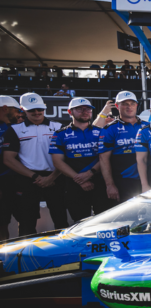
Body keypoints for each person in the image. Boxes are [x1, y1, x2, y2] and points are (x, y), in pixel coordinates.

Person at [3, 93, 68, 235]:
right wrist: (34, 177)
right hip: (28, 179)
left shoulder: (59, 127)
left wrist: (52, 177)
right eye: (32, 110)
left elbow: (67, 156)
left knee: (61, 218)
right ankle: (25, 254)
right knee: (27, 221)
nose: (37, 113)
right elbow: (8, 159)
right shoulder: (14, 129)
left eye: (40, 109)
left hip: (56, 177)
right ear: (23, 110)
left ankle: (66, 254)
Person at [49, 98, 109, 222]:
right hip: (74, 184)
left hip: (100, 183)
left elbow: (106, 157)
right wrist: (80, 180)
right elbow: (57, 162)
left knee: (104, 222)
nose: (85, 111)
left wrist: (90, 173)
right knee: (80, 223)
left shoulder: (101, 132)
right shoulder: (60, 134)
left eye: (88, 109)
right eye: (79, 109)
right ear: (70, 112)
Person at [96, 91, 147, 204]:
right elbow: (103, 159)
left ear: (136, 105)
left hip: (147, 180)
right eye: (125, 104)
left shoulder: (147, 126)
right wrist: (110, 185)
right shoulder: (109, 129)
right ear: (117, 106)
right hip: (122, 182)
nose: (129, 107)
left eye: (132, 103)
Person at [0, 96, 22, 240]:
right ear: (6, 109)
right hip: (3, 183)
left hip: (20, 181)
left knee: (26, 220)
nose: (18, 114)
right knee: (1, 223)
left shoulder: (18, 128)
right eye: (16, 111)